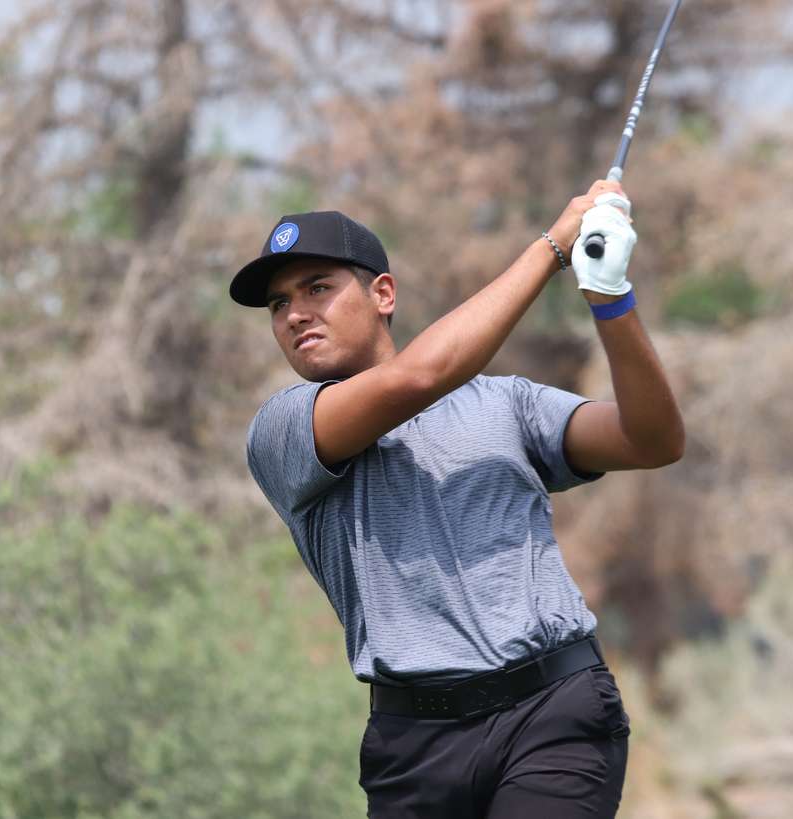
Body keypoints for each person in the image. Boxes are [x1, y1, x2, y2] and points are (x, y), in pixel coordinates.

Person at [228, 179, 684, 818]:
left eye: (318, 289)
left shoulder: (506, 404)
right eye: (278, 304)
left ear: (382, 294)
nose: (296, 314)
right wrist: (553, 246)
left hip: (551, 715)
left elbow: (652, 439)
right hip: (413, 748)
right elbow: (418, 377)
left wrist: (610, 300)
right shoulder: (283, 430)